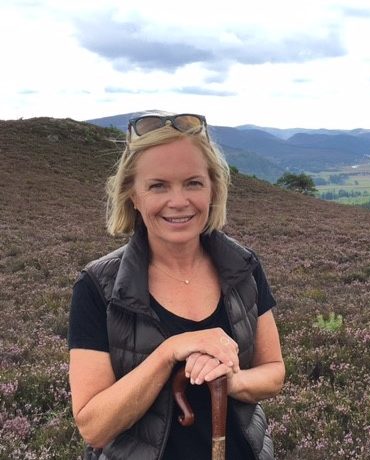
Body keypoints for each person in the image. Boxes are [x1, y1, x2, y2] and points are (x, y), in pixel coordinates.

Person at [68, 111, 285, 459]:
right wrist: (172, 351)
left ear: (213, 188)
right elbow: (94, 427)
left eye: (193, 183)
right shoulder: (98, 287)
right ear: (133, 196)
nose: (179, 201)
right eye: (158, 186)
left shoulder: (243, 268)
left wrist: (233, 381)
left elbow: (274, 373)